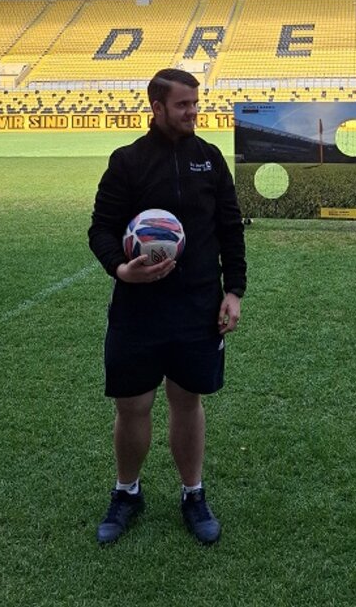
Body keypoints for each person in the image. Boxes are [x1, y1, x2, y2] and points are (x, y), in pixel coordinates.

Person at [88, 68, 246, 546]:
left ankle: (193, 494)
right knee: (133, 404)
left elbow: (230, 228)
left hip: (197, 304)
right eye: (182, 105)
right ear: (156, 108)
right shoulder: (128, 162)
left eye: (195, 103)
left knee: (187, 399)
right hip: (138, 308)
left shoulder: (209, 159)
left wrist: (234, 291)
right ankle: (127, 491)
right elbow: (100, 229)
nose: (192, 111)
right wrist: (121, 269)